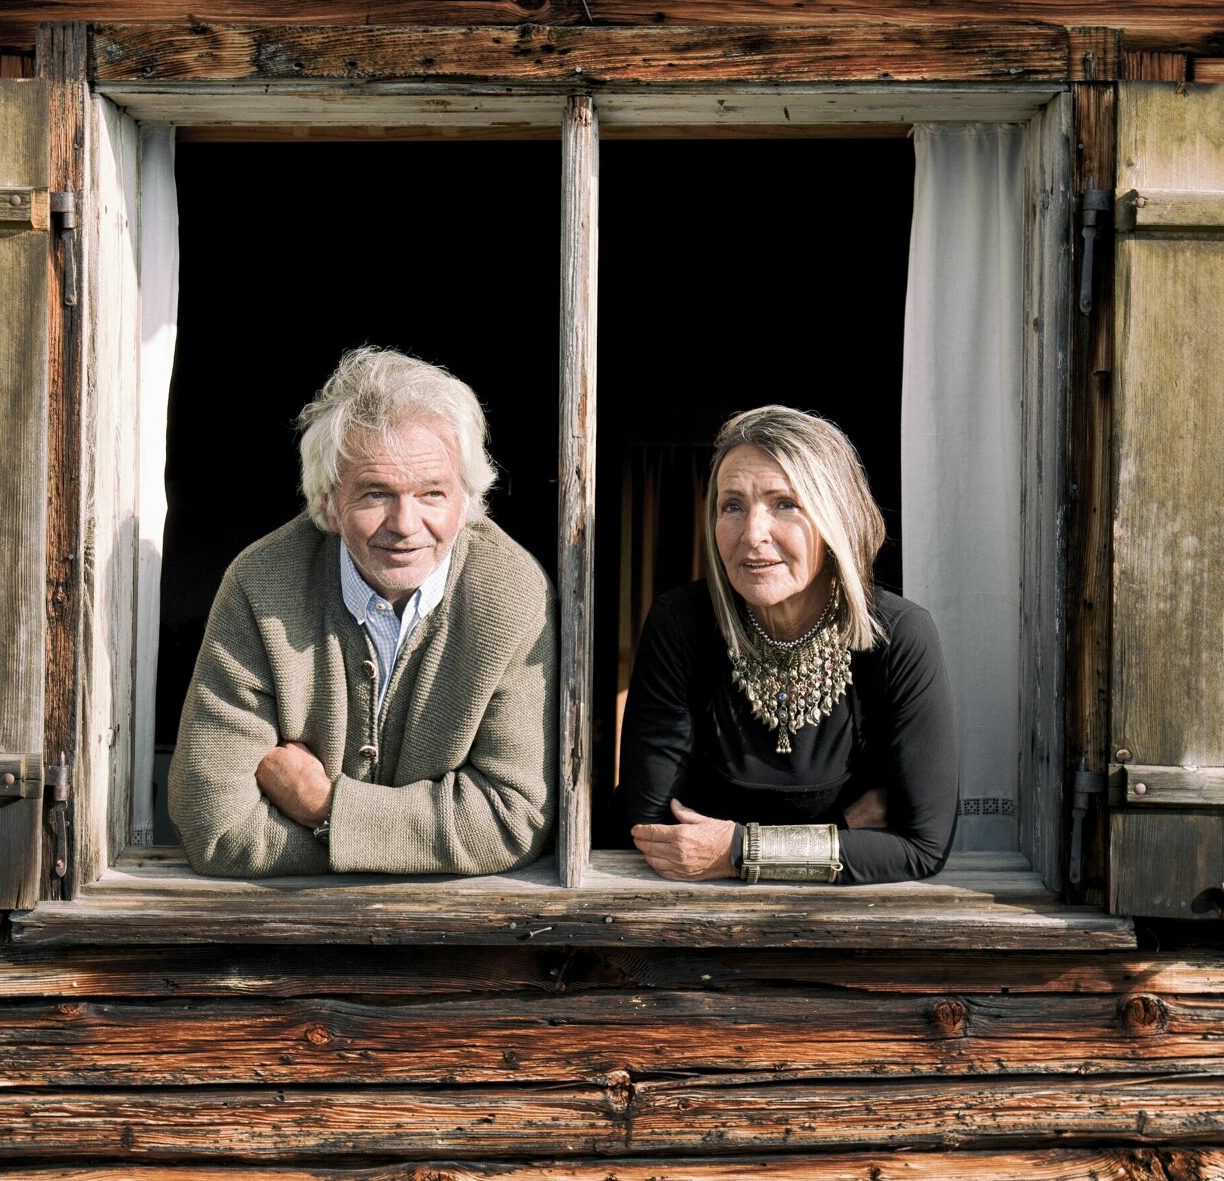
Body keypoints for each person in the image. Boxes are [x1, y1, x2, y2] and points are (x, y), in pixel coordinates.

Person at [170, 347, 554, 877]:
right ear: (328, 502)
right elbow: (214, 825)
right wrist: (416, 841)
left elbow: (513, 821)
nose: (405, 523)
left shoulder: (511, 593)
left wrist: (323, 809)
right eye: (376, 494)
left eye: (432, 493)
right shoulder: (261, 584)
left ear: (465, 501)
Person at [621, 406, 958, 884]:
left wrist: (738, 850)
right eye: (731, 505)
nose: (752, 533)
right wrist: (842, 828)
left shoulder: (899, 635)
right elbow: (653, 827)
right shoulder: (681, 624)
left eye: (785, 504)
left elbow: (922, 846)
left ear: (835, 517)